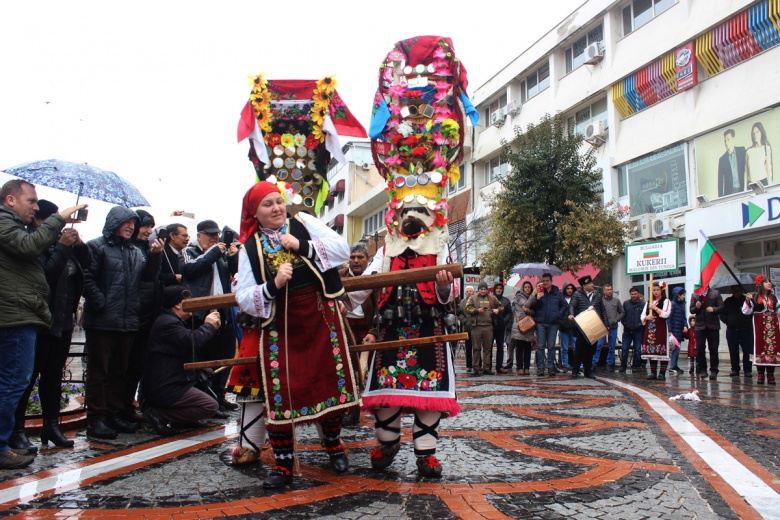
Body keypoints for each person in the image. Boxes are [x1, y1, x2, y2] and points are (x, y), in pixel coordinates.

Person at [227, 181, 359, 488]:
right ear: (254, 213)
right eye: (267, 204)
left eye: (278, 201)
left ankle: (334, 445)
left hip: (319, 317)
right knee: (281, 392)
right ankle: (284, 464)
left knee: (330, 382)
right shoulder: (249, 248)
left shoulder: (303, 223)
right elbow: (244, 296)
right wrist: (274, 285)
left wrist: (302, 247)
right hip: (280, 327)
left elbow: (343, 250)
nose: (276, 208)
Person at [0, 180, 85, 469]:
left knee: (26, 380)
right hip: (17, 314)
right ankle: (5, 441)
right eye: (32, 202)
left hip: (38, 316)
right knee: (14, 382)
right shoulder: (7, 224)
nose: (35, 207)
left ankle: (16, 438)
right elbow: (31, 250)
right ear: (10, 200)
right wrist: (58, 223)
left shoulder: (18, 227)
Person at [82, 206, 164, 439]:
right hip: (103, 321)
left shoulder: (135, 252)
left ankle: (114, 414)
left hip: (128, 321)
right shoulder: (97, 246)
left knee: (120, 371)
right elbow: (87, 279)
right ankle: (96, 420)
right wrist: (101, 303)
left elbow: (146, 277)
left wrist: (156, 255)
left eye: (133, 223)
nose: (131, 227)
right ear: (114, 223)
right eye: (126, 222)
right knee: (100, 372)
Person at [141, 286, 220, 435]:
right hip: (166, 386)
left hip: (173, 381)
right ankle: (158, 414)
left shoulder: (172, 321)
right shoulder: (167, 323)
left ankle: (179, 418)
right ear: (178, 304)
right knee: (209, 406)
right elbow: (192, 341)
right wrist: (209, 325)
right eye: (188, 301)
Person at [181, 219, 239, 414]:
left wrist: (232, 258)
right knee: (203, 355)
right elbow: (191, 269)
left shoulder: (220, 255)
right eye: (210, 235)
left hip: (224, 310)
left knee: (226, 354)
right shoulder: (190, 252)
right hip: (200, 312)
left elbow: (236, 274)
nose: (215, 238)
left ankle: (220, 396)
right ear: (199, 235)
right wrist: (214, 252)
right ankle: (205, 399)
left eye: (217, 235)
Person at [125, 210, 163, 423]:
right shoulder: (130, 248)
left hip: (149, 315)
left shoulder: (148, 248)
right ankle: (120, 409)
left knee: (138, 366)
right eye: (144, 226)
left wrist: (156, 255)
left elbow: (151, 277)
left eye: (150, 227)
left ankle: (130, 407)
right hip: (132, 316)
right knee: (125, 367)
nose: (148, 231)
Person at [339, 241, 377, 426]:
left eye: (360, 257)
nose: (355, 261)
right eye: (352, 257)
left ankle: (377, 408)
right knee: (349, 369)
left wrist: (374, 331)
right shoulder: (339, 277)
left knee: (370, 368)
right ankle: (352, 411)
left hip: (369, 326)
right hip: (345, 325)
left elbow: (382, 305)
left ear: (367, 259)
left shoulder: (376, 278)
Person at [527, 273, 568, 376]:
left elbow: (564, 305)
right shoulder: (539, 291)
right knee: (540, 346)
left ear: (551, 281)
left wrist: (558, 315)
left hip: (553, 323)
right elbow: (533, 307)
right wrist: (538, 298)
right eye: (543, 281)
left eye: (547, 281)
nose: (545, 283)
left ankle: (550, 367)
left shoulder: (557, 292)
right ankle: (540, 367)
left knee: (551, 346)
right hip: (540, 322)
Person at [568, 275, 608, 379]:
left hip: (594, 325)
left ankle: (588, 371)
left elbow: (603, 310)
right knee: (580, 348)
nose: (592, 284)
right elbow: (572, 306)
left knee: (591, 349)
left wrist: (606, 323)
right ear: (584, 285)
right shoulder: (577, 294)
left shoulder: (597, 295)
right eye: (590, 283)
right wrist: (571, 314)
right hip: (582, 325)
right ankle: (575, 370)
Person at [742, 275, 778, 385]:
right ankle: (761, 374)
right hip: (759, 327)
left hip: (772, 326)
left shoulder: (774, 298)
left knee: (772, 348)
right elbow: (746, 311)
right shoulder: (755, 297)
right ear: (761, 284)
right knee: (760, 347)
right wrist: (748, 301)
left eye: (769, 282)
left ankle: (770, 374)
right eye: (766, 282)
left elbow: (778, 309)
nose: (769, 283)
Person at [465, 281, 503, 376]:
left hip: (488, 326)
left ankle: (487, 368)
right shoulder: (472, 298)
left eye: (484, 289)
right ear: (478, 290)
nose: (483, 291)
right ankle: (476, 367)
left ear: (487, 290)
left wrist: (497, 310)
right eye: (481, 289)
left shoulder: (492, 298)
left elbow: (501, 306)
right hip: (476, 326)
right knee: (476, 348)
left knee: (487, 348)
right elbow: (467, 308)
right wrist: (477, 311)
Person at [690, 284, 724, 380]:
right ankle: (702, 370)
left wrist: (714, 309)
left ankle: (714, 370)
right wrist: (696, 307)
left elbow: (721, 307)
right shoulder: (695, 295)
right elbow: (691, 310)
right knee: (700, 348)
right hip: (700, 326)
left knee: (713, 349)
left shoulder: (715, 293)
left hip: (713, 325)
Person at [641, 282, 672, 380]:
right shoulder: (649, 302)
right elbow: (642, 315)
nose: (655, 292)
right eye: (654, 290)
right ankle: (653, 372)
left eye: (657, 290)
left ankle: (662, 373)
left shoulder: (666, 301)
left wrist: (655, 308)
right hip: (650, 328)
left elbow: (666, 314)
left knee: (661, 349)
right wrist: (647, 317)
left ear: (661, 291)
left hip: (660, 328)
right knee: (651, 349)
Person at [721, 284, 753, 377]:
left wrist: (747, 321)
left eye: (738, 289)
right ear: (732, 291)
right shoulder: (728, 301)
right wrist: (727, 321)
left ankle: (748, 369)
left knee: (747, 350)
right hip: (732, 329)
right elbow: (722, 313)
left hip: (746, 329)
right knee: (733, 350)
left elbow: (752, 312)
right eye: (734, 290)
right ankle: (735, 369)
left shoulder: (747, 300)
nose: (736, 291)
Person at [593, 284, 623, 372]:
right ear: (604, 291)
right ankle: (594, 363)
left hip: (613, 326)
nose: (610, 291)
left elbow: (622, 312)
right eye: (608, 290)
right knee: (598, 346)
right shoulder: (600, 301)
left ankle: (609, 364)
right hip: (602, 326)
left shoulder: (616, 300)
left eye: (611, 289)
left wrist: (615, 319)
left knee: (611, 346)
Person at [508, 281, 535, 375]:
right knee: (519, 347)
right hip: (520, 325)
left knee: (528, 347)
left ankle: (526, 367)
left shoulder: (533, 297)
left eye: (529, 287)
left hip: (529, 325)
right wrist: (534, 295)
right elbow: (526, 304)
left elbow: (534, 310)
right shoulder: (519, 296)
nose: (527, 289)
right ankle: (519, 367)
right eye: (525, 287)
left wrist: (530, 311)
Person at [619, 287, 645, 372]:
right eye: (632, 294)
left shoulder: (643, 304)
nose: (634, 296)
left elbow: (644, 316)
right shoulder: (626, 303)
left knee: (637, 349)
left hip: (638, 330)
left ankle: (635, 366)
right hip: (627, 330)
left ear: (638, 294)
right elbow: (622, 315)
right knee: (625, 348)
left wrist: (640, 325)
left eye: (635, 294)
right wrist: (625, 323)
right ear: (630, 294)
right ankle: (623, 365)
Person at [717, 128, 747, 197]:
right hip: (730, 193)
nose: (726, 143)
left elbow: (747, 169)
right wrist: (720, 200)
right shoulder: (722, 160)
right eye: (725, 141)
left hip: (742, 190)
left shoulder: (742, 151)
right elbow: (720, 182)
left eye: (728, 140)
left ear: (733, 139)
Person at [492, 283, 512, 374]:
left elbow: (509, 313)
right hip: (490, 326)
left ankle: (499, 366)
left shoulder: (506, 301)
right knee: (488, 347)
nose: (499, 290)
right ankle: (487, 366)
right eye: (497, 288)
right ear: (494, 289)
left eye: (500, 288)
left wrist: (504, 321)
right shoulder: (490, 299)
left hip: (501, 326)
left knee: (500, 346)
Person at [667, 287, 688, 374]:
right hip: (675, 330)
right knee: (676, 348)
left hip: (679, 329)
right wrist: (670, 330)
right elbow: (669, 318)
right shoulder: (672, 304)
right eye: (683, 295)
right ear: (678, 295)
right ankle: (672, 366)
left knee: (677, 348)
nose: (684, 297)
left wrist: (685, 325)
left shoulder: (681, 304)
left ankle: (674, 365)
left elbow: (683, 317)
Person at [745, 122, 773, 187]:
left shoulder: (766, 148)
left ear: (761, 133)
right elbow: (746, 173)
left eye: (757, 132)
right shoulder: (748, 151)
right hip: (751, 184)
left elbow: (769, 169)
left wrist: (770, 186)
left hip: (763, 182)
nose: (755, 135)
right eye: (753, 133)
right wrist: (745, 190)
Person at [557, 283, 576, 372]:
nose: (570, 290)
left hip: (574, 326)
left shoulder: (575, 299)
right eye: (568, 288)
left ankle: (578, 364)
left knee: (575, 346)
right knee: (564, 348)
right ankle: (565, 364)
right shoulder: (561, 299)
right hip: (563, 326)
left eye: (571, 288)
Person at [458, 286, 475, 371]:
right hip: (467, 327)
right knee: (468, 347)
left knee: (477, 347)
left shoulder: (476, 300)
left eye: (470, 291)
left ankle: (477, 365)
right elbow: (459, 314)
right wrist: (464, 321)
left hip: (476, 327)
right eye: (467, 291)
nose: (469, 292)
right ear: (465, 293)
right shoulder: (462, 302)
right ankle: (469, 366)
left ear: (473, 292)